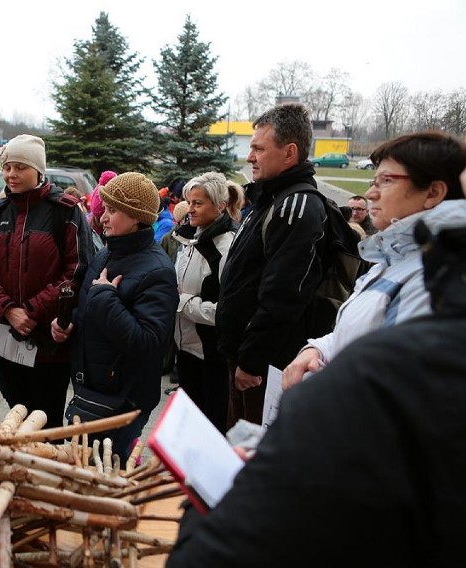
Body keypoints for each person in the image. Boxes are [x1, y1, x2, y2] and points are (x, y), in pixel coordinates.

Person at [166, 208, 466, 568]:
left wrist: (215, 494)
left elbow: (211, 554)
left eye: (386, 178)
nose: (372, 191)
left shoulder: (377, 377)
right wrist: (319, 346)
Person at [282, 131, 466, 389]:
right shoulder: (389, 261)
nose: (370, 193)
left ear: (433, 192)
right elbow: (353, 337)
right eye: (374, 180)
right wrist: (316, 351)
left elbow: (393, 387)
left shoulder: (432, 280)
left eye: (386, 180)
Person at [215, 102, 328, 428]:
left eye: (258, 148)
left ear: (289, 153)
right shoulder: (272, 200)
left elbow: (283, 295)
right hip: (246, 361)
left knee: (251, 452)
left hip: (264, 369)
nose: (250, 157)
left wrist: (251, 360)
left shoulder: (296, 205)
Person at [51, 172, 177, 460]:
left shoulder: (157, 270)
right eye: (104, 209)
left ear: (136, 217)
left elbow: (148, 341)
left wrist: (105, 297)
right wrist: (69, 326)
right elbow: (90, 310)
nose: (102, 218)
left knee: (107, 474)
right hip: (93, 389)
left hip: (122, 399)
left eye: (112, 210)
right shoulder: (107, 253)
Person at [0, 134, 93, 428]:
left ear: (38, 170)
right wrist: (8, 311)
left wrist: (30, 310)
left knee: (47, 421)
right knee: (16, 415)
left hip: (47, 341)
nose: (11, 174)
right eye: (7, 167)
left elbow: (76, 272)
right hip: (3, 338)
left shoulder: (65, 213)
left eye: (20, 167)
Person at [173, 172, 243, 434]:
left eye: (197, 203)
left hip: (211, 357)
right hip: (186, 350)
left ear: (220, 205)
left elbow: (227, 312)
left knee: (210, 429)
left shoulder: (226, 249)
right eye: (189, 202)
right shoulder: (190, 238)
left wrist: (180, 303)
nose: (189, 209)